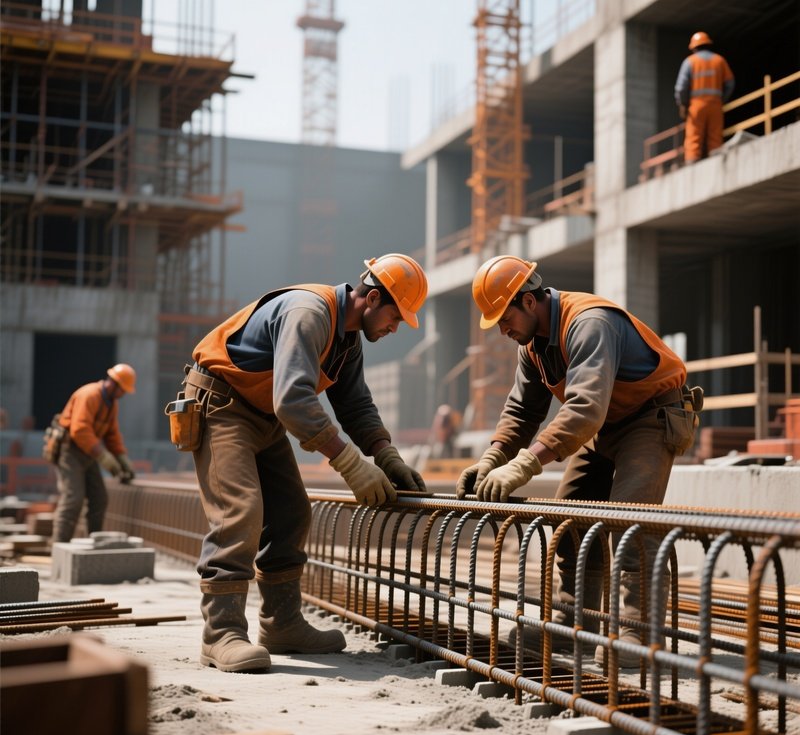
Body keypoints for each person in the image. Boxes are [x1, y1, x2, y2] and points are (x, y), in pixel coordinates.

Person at [181, 254, 429, 673]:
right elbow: (293, 399)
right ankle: (220, 634)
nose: (394, 327)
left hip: (263, 415)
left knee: (291, 511)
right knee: (240, 511)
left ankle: (281, 625)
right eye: (395, 316)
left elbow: (354, 403)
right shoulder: (310, 313)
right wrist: (350, 462)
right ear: (370, 298)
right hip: (222, 405)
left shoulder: (347, 339)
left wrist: (384, 454)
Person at [456, 256, 701, 667]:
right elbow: (521, 412)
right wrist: (493, 458)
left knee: (630, 522)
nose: (502, 329)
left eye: (504, 317)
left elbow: (585, 408)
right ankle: (576, 626)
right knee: (571, 520)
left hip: (651, 418)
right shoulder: (533, 345)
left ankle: (638, 636)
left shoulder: (589, 322)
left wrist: (525, 464)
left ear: (530, 302)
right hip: (606, 424)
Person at [51, 364, 137, 543]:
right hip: (71, 451)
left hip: (89, 454)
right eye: (123, 390)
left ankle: (93, 543)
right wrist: (104, 457)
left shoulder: (110, 404)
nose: (123, 395)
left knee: (99, 499)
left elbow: (111, 434)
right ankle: (59, 546)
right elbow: (80, 430)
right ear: (114, 384)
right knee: (73, 499)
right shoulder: (89, 395)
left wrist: (121, 458)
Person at [674, 31, 735, 164]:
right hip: (715, 104)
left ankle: (692, 162)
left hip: (696, 105)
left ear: (694, 47)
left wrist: (683, 105)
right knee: (715, 135)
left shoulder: (690, 62)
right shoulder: (719, 60)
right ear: (708, 44)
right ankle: (715, 159)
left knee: (694, 136)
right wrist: (722, 99)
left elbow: (681, 88)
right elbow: (730, 83)